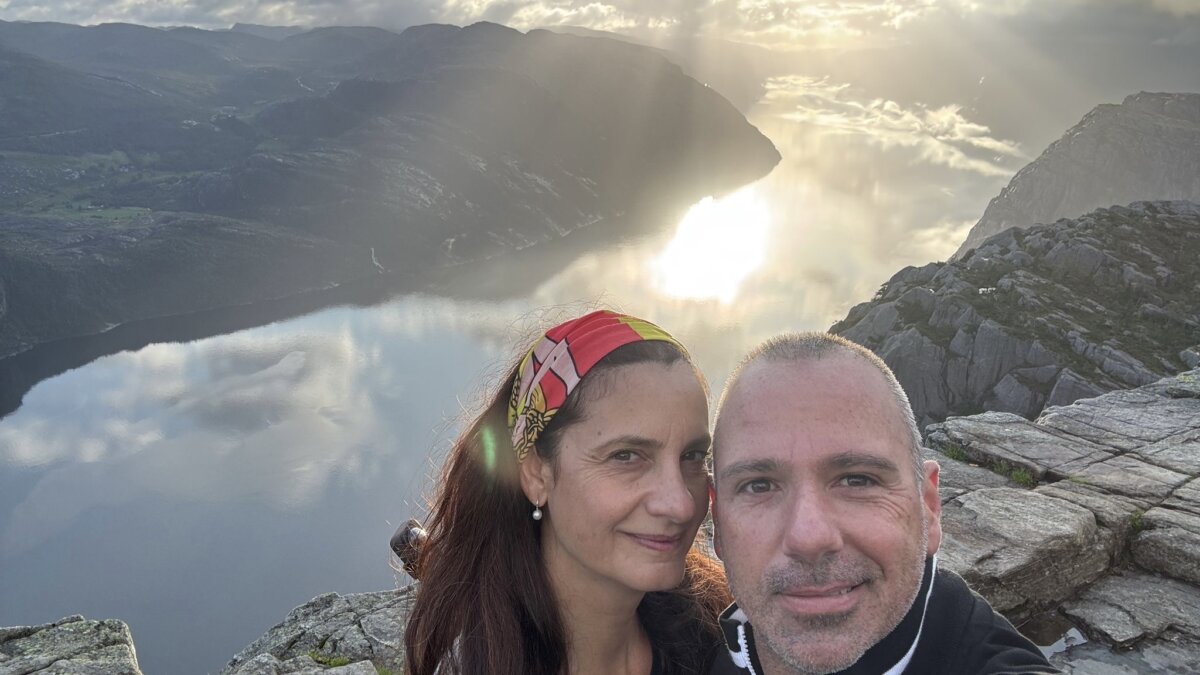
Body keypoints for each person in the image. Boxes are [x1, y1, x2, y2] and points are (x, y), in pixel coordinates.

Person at [707, 332, 1059, 675]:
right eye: (759, 486)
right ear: (718, 524)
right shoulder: (685, 644)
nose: (809, 538)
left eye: (857, 480)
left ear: (928, 508)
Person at [405, 310, 730, 675]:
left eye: (693, 456)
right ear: (535, 473)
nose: (681, 504)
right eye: (626, 456)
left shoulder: (718, 636)